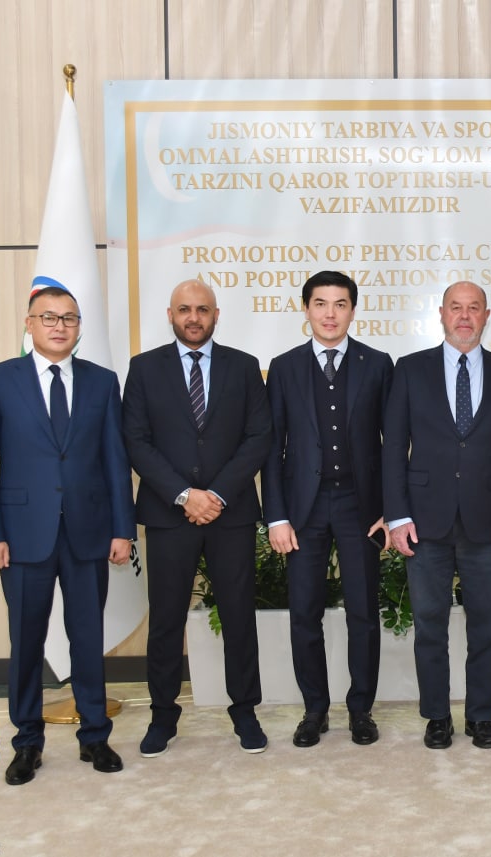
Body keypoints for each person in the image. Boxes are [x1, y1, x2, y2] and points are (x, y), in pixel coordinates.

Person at [0, 286, 134, 785]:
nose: (59, 326)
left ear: (79, 326)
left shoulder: (102, 382)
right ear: (30, 323)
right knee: (26, 641)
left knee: (87, 637)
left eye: (69, 318)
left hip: (88, 531)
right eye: (49, 317)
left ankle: (95, 736)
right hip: (21, 536)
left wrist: (123, 529)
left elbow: (115, 461)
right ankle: (27, 742)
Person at [122, 279, 272, 756]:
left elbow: (258, 437)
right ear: (170, 315)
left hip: (230, 514)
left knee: (238, 616)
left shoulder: (243, 366)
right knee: (167, 620)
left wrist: (217, 495)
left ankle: (244, 711)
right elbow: (136, 441)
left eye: (202, 309)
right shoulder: (144, 368)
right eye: (184, 309)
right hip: (170, 515)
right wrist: (185, 495)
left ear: (216, 314)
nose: (193, 317)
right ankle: (163, 715)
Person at [382, 281, 491, 750]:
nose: (464, 316)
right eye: (456, 308)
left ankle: (482, 716)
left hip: (489, 521)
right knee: (430, 625)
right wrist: (397, 516)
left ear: (486, 316)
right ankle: (437, 716)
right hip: (424, 521)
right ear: (442, 314)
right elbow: (393, 449)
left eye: (474, 308)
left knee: (486, 626)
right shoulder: (410, 369)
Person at [262, 270, 393, 747]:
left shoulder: (378, 364)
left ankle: (361, 710)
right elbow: (272, 447)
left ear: (353, 310)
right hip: (304, 510)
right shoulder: (283, 367)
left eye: (340, 304)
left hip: (362, 508)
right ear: (306, 309)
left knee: (364, 613)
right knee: (304, 613)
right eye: (321, 304)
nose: (330, 314)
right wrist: (277, 516)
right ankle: (314, 709)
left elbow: (394, 443)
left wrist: (391, 509)